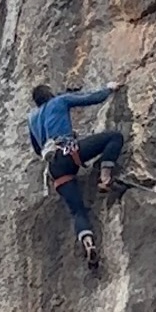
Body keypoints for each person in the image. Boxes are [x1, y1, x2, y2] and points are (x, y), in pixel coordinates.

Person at [27, 76, 129, 267]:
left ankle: (88, 242)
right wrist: (108, 88)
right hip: (69, 152)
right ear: (50, 94)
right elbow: (90, 98)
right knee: (114, 137)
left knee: (77, 211)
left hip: (54, 168)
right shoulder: (60, 101)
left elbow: (36, 149)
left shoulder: (32, 119)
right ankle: (105, 178)